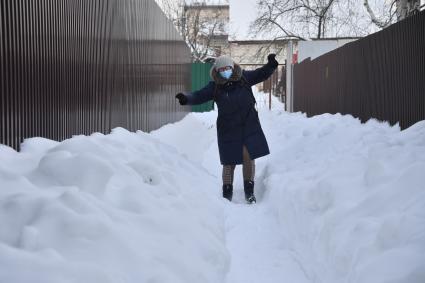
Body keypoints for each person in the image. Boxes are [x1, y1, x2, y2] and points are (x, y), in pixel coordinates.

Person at [175, 54, 279, 203]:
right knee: (229, 162)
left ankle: (249, 191)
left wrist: (271, 65)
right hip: (228, 128)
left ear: (232, 67)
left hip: (248, 125)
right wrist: (186, 98)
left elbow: (260, 74)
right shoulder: (215, 86)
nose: (225, 71)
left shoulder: (244, 79)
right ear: (217, 71)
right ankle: (227, 193)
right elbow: (199, 95)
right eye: (222, 69)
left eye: (227, 68)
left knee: (248, 157)